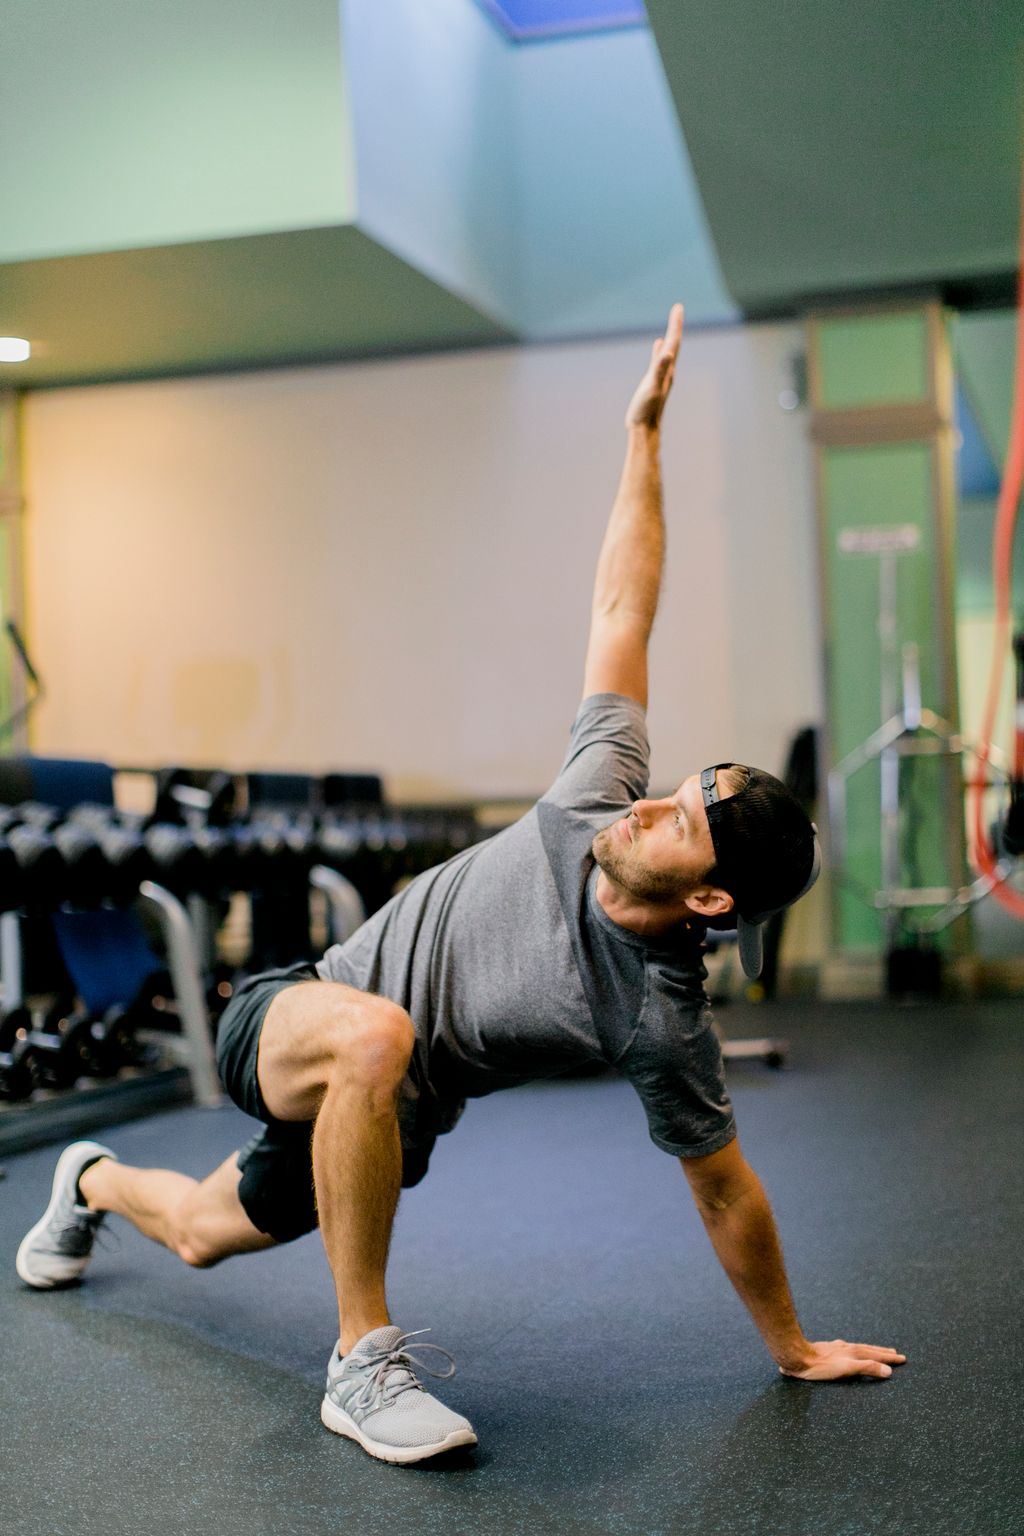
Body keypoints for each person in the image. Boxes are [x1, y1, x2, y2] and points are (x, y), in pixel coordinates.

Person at [16, 303, 905, 1465]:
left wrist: (791, 1346)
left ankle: (86, 1181)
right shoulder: (594, 791)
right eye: (674, 788)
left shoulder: (657, 1016)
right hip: (297, 1010)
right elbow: (623, 605)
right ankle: (361, 1365)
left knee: (194, 1230)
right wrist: (643, 435)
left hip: (389, 1119)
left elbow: (726, 1190)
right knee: (376, 1031)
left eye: (682, 824)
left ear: (708, 904)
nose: (648, 806)